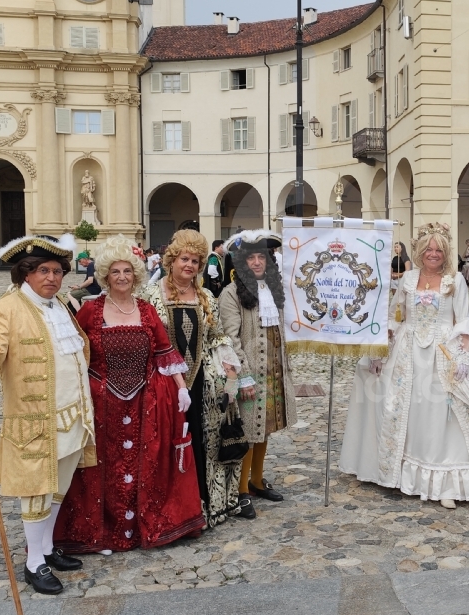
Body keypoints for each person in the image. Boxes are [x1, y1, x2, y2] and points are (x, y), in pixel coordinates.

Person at [340, 223, 469, 508]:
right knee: (406, 409)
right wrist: (380, 349)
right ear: (420, 252)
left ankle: (446, 482)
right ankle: (398, 474)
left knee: (449, 414)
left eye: (439, 250)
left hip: (444, 350)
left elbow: (464, 322)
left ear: (446, 253)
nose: (434, 254)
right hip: (408, 355)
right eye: (429, 249)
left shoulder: (455, 281)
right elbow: (396, 315)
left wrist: (464, 359)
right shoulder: (407, 279)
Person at [0, 234, 97, 596]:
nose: (52, 277)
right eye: (42, 271)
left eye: (57, 271)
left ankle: (48, 548)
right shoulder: (7, 307)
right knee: (36, 491)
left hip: (73, 416)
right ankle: (34, 561)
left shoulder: (62, 304)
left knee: (58, 487)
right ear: (25, 274)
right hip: (37, 419)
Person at [55, 236, 205, 553]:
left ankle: (140, 528)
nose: (122, 277)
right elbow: (75, 355)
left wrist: (181, 389)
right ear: (105, 276)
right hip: (102, 403)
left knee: (142, 466)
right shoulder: (91, 311)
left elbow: (164, 353)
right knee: (102, 470)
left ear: (136, 275)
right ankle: (104, 532)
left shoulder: (147, 311)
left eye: (127, 272)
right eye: (115, 272)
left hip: (146, 402)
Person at [144, 229, 245, 526]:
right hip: (163, 383)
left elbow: (217, 338)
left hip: (202, 382)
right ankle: (173, 511)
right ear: (172, 260)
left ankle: (204, 503)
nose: (189, 265)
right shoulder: (152, 296)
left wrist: (231, 376)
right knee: (168, 443)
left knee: (202, 441)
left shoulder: (206, 297)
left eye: (195, 261)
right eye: (184, 259)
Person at [219, 230, 296, 517]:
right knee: (248, 431)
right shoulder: (231, 294)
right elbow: (230, 338)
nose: (256, 262)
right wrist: (244, 375)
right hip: (249, 373)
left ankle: (256, 479)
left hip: (273, 370)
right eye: (249, 257)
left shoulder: (274, 290)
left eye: (260, 257)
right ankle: (240, 490)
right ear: (240, 262)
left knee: (265, 428)